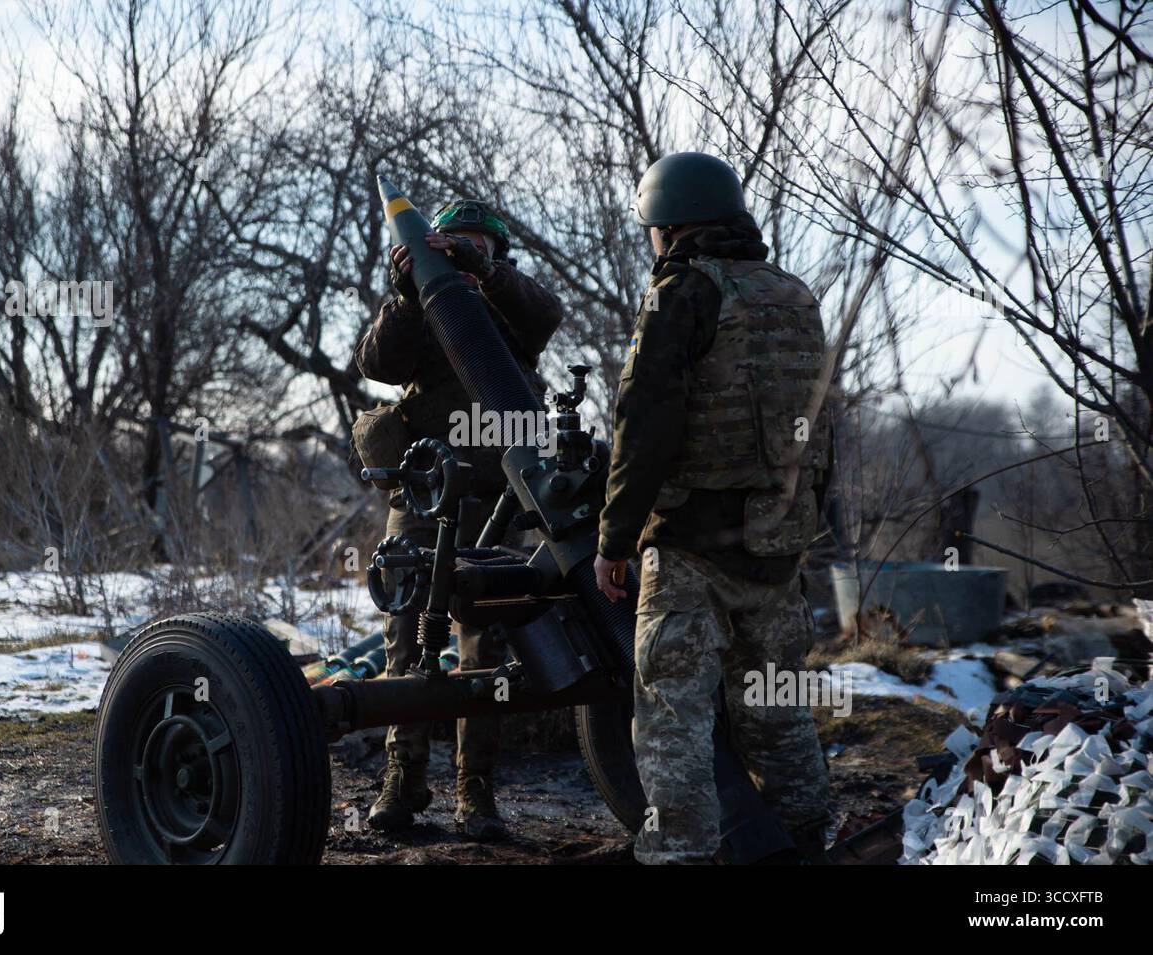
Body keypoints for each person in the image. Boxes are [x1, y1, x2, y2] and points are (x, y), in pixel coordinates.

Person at [593, 152, 833, 864]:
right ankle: (810, 838)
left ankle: (680, 854)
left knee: (673, 716)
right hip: (778, 544)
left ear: (667, 224)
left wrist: (615, 537)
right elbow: (820, 427)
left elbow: (646, 424)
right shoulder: (794, 295)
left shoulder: (683, 292)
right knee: (776, 708)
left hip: (692, 545)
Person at [354, 198, 562, 840]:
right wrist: (408, 293)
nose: (462, 256)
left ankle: (476, 789)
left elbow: (544, 313)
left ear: (498, 255)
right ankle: (402, 774)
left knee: (485, 645)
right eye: (451, 245)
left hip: (494, 497)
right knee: (406, 634)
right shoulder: (423, 306)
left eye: (478, 246)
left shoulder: (512, 307)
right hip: (423, 494)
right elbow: (377, 365)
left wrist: (486, 274)